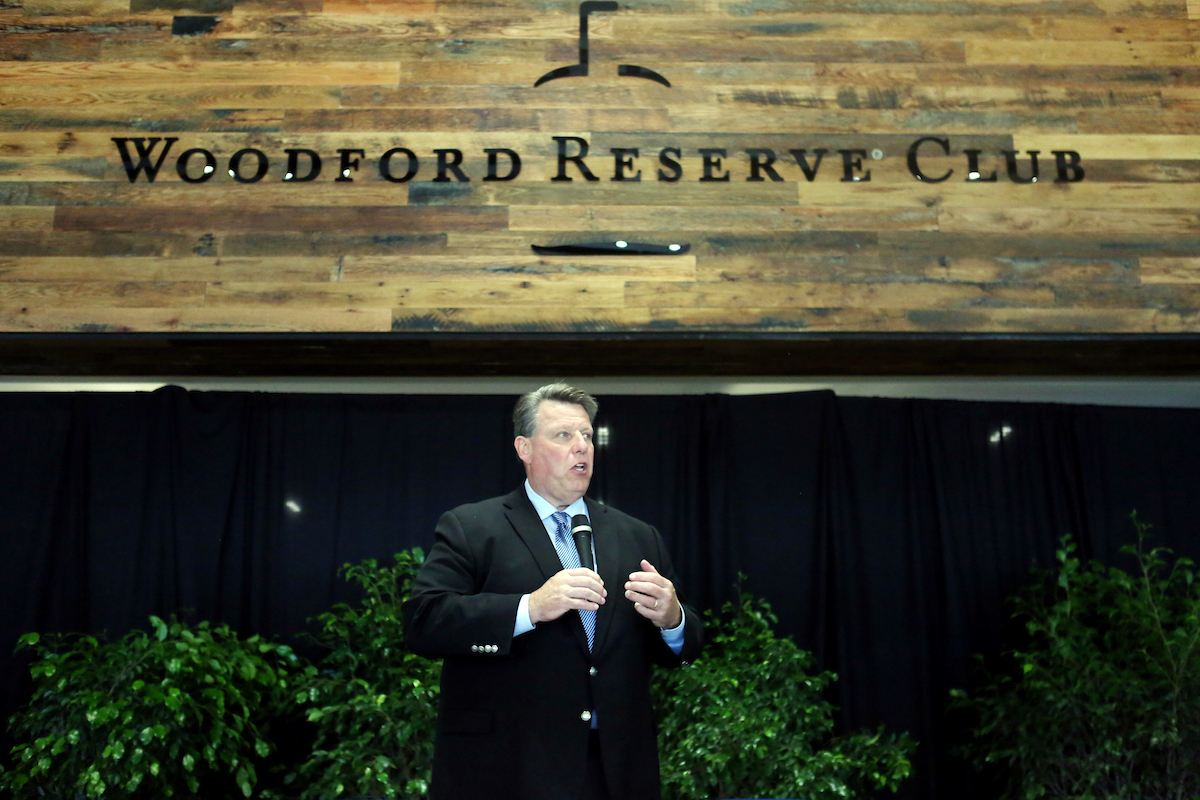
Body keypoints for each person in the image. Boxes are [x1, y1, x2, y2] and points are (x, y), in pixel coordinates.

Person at [403, 383, 703, 800]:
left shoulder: (638, 536)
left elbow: (686, 646)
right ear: (524, 448)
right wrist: (529, 608)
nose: (581, 447)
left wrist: (674, 619)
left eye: (586, 435)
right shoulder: (472, 527)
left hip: (615, 770)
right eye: (563, 435)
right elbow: (424, 622)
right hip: (508, 768)